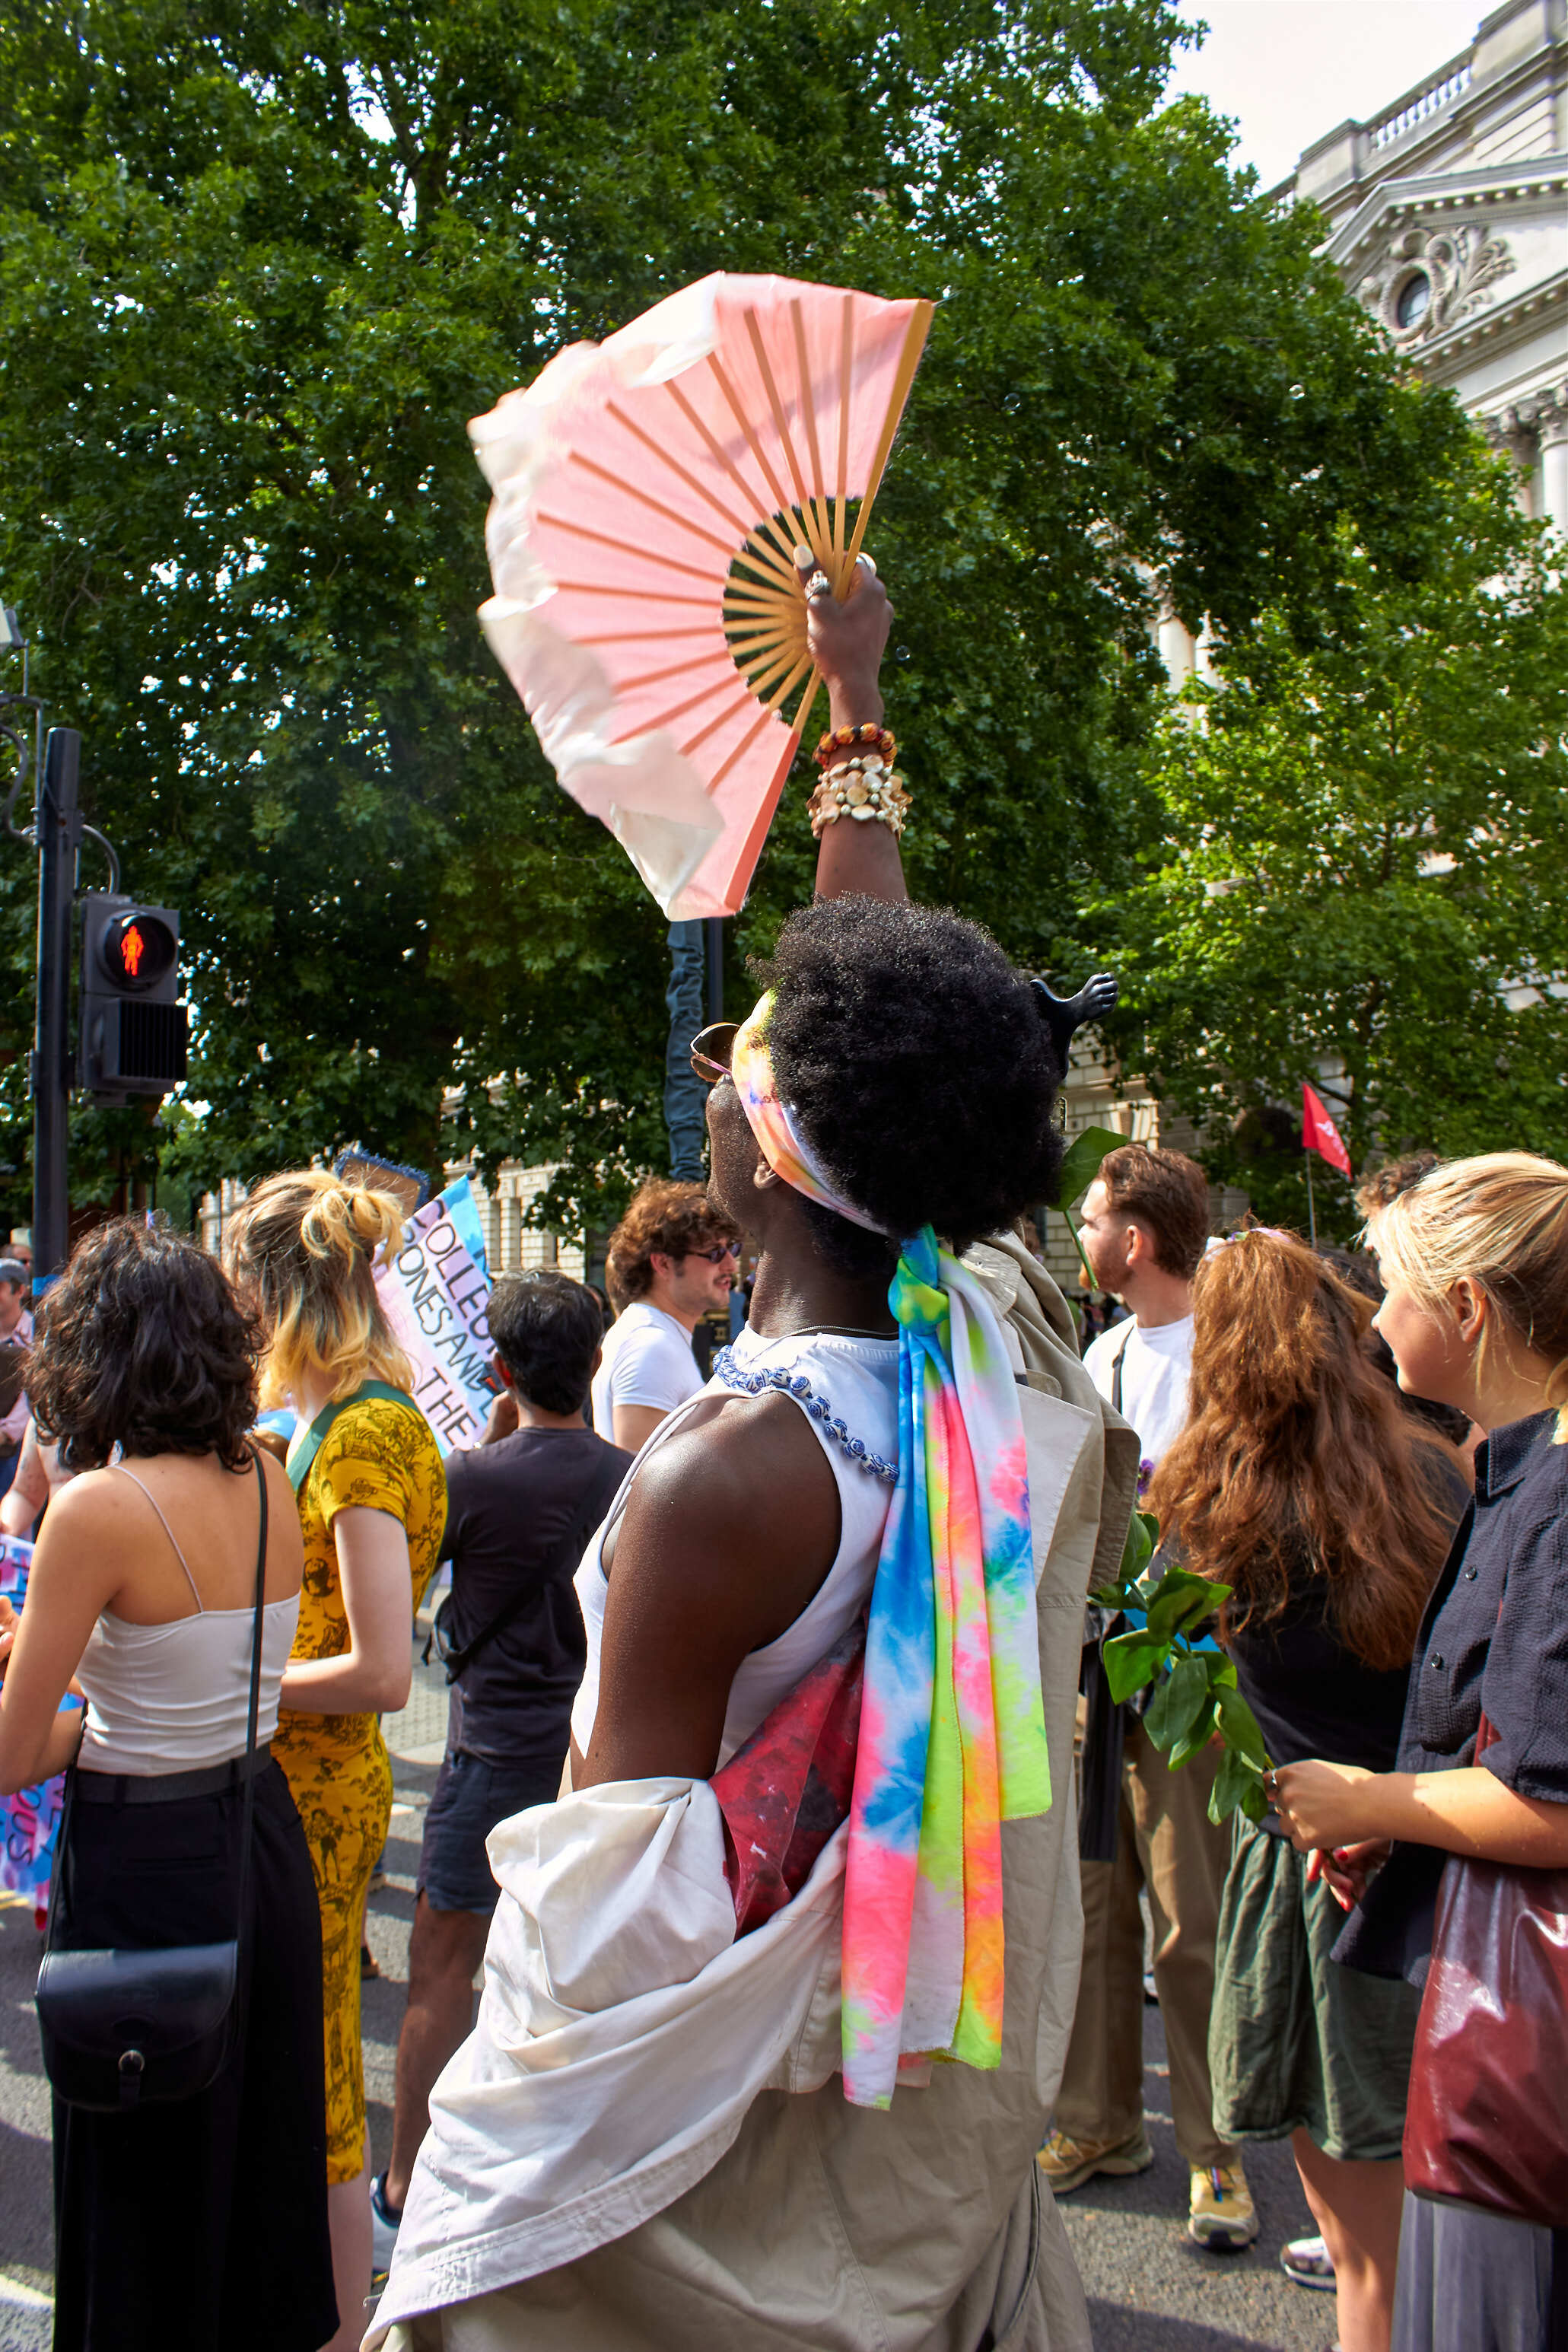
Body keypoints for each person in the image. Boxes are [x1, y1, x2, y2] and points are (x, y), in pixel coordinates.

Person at [366, 554, 1137, 2352]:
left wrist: (477, 2193)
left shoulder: (727, 1465)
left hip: (725, 2175)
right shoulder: (994, 1355)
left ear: (775, 1149)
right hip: (906, 2122)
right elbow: (881, 1005)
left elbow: (611, 1934)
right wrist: (849, 703)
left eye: (745, 1056)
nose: (717, 1059)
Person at [0, 1219, 336, 2352]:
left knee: (140, 2191)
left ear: (93, 1354)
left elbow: (18, 1753)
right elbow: (200, 1678)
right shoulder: (274, 1471)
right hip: (257, 1832)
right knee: (252, 2170)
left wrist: (55, 1690)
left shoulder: (97, 1506)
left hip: (147, 1862)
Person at [1272, 1151, 1568, 2352]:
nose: (1373, 1314)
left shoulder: (1551, 1495)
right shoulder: (1519, 1467)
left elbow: (1551, 1801)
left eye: (1390, 1284)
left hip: (1520, 2059)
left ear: (1466, 1308)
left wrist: (1372, 1798)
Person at [1148, 1232, 1464, 2352]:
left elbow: (1167, 1662)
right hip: (1445, 1847)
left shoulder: (1204, 1493)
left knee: (1363, 2246)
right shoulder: (1438, 1474)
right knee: (1441, 2233)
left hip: (1312, 1856)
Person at [225, 1172, 447, 2352]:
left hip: (323, 1782)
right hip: (300, 1778)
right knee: (295, 2070)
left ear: (274, 1291)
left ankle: (336, 2328)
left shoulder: (362, 1430)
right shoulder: (331, 1417)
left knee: (317, 2085)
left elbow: (379, 1672)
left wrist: (230, 1683)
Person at [372, 1271, 631, 2259]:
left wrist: (482, 1450)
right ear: (596, 1363)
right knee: (575, 1985)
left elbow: (416, 1581)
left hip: (484, 1755)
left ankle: (407, 2185)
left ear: (500, 1369)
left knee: (441, 1970)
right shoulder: (632, 1474)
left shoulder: (466, 1477)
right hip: (588, 1758)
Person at [1042, 1144, 1257, 2249]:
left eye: (1087, 1221)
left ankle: (1216, 2153)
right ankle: (1096, 2120)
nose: (1077, 1237)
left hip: (1180, 1660)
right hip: (1094, 1660)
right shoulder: (1104, 1349)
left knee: (1190, 1914)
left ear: (1134, 1237)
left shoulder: (1225, 1357)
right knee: (1090, 1900)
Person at [590, 1180, 739, 1450]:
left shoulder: (651, 1334)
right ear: (663, 1263)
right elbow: (637, 1476)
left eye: (732, 1249)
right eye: (715, 1253)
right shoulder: (651, 1346)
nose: (730, 1264)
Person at [0, 1256, 33, 1505]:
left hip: (18, 1446)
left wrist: (7, 1432)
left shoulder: (38, 1332)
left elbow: (35, 1391)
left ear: (19, 1290)